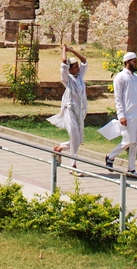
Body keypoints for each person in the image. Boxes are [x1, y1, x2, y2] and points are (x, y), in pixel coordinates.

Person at [49, 44, 88, 175]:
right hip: (70, 110)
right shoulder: (68, 79)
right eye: (75, 66)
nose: (78, 67)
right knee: (75, 137)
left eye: (77, 66)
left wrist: (72, 50)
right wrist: (64, 51)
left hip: (80, 111)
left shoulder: (80, 77)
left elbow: (84, 60)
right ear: (70, 70)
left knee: (79, 139)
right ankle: (73, 166)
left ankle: (59, 148)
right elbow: (64, 63)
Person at [106, 51, 137, 176]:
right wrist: (121, 115)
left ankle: (131, 168)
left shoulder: (135, 77)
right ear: (127, 62)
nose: (136, 63)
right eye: (134, 61)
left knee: (135, 143)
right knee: (128, 140)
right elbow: (118, 98)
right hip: (127, 115)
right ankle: (110, 156)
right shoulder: (120, 77)